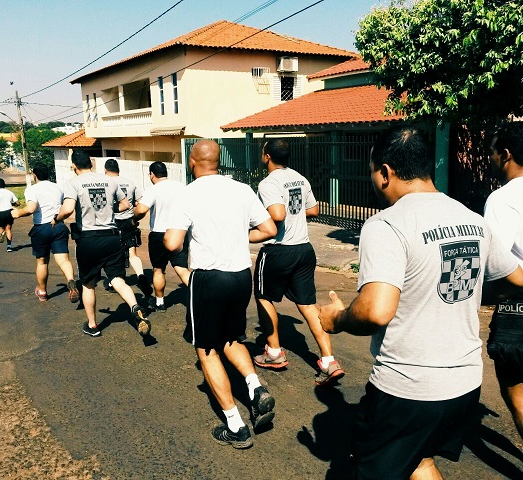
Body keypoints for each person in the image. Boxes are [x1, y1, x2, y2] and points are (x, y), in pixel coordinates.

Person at [318, 125, 523, 479]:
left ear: (385, 172)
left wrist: (336, 319)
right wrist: (472, 292)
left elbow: (376, 310)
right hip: (464, 386)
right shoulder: (471, 219)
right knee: (419, 458)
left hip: (407, 388)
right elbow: (515, 279)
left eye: (373, 173)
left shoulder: (388, 224)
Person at [164, 140, 278, 449]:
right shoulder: (241, 190)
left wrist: (177, 237)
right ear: (218, 161)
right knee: (231, 339)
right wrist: (240, 236)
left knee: (207, 350)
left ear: (192, 162)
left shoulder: (188, 194)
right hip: (241, 276)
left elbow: (173, 244)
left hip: (209, 278)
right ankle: (254, 387)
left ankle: (236, 426)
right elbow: (269, 229)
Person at [252, 139, 345, 385]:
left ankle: (273, 352)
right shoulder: (300, 178)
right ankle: (328, 361)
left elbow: (278, 215)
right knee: (307, 304)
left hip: (279, 251)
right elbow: (313, 210)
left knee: (263, 296)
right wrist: (294, 213)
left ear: (267, 156)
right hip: (304, 250)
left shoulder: (268, 183)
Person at [55, 150, 150, 338]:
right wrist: (109, 208)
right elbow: (125, 205)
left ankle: (92, 325)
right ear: (91, 162)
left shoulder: (73, 183)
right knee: (117, 279)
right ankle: (135, 307)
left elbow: (67, 210)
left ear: (73, 166)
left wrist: (55, 219)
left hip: (88, 239)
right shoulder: (111, 181)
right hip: (111, 237)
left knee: (89, 284)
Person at [483, 122, 523, 440]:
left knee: (516, 391)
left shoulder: (502, 199)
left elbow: (496, 263)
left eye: (492, 154)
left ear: (506, 155)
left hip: (517, 305)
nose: (490, 160)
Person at [11, 165, 80, 304]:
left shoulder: (32, 189)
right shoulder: (58, 187)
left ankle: (42, 292)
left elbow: (31, 208)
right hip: (58, 226)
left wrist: (17, 213)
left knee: (42, 262)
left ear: (34, 175)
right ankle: (71, 280)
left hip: (41, 228)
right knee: (63, 260)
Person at [135, 161, 190, 312]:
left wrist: (134, 219)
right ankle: (198, 295)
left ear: (152, 175)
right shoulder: (181, 187)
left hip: (159, 233)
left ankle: (160, 302)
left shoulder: (154, 189)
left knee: (158, 269)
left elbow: (141, 209)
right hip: (179, 232)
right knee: (182, 268)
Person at [103, 158, 153, 297]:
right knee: (132, 252)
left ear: (106, 170)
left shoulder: (107, 183)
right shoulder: (130, 183)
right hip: (129, 221)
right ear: (118, 169)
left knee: (114, 254)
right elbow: (138, 202)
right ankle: (141, 275)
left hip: (113, 222)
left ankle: (115, 282)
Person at [0, 178, 20, 252]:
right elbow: (18, 203)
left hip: (0, 212)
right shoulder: (10, 192)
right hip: (9, 212)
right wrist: (12, 204)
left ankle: (2, 232)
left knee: (0, 228)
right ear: (4, 184)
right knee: (8, 229)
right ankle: (9, 246)